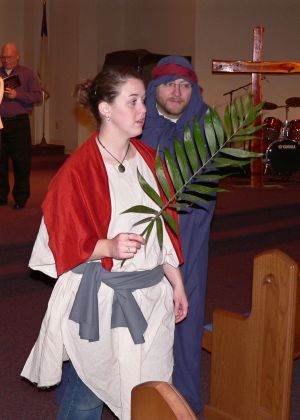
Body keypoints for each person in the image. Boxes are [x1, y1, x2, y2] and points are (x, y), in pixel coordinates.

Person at [21, 67, 188, 420]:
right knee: (90, 392)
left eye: (143, 100)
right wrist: (108, 247)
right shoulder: (78, 170)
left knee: (151, 384)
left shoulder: (148, 160)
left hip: (150, 298)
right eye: (133, 101)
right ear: (106, 109)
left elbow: (163, 232)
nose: (143, 109)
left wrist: (176, 281)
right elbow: (58, 241)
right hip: (102, 300)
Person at [141, 55, 216, 415]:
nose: (177, 91)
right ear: (155, 87)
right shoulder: (137, 125)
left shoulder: (208, 128)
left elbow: (207, 193)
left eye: (184, 85)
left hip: (188, 241)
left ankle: (183, 401)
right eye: (169, 83)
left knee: (185, 319)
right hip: (141, 240)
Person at [0, 42, 42, 209]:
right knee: (0, 162)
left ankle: (20, 198)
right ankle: (1, 196)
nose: (5, 60)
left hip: (19, 123)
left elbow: (38, 95)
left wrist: (18, 95)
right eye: (3, 57)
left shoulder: (27, 74)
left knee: (21, 162)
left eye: (9, 57)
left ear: (17, 56)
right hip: (0, 123)